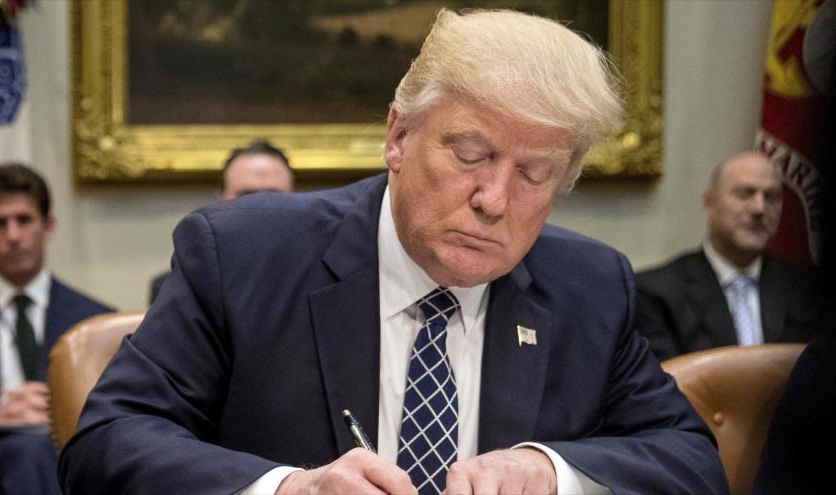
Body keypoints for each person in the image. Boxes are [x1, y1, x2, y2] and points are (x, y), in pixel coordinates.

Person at [60, 9, 727, 494]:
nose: (494, 197)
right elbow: (105, 443)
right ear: (399, 136)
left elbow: (692, 459)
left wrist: (550, 470)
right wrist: (288, 488)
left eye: (534, 174)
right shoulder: (241, 255)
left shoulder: (589, 286)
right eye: (470, 154)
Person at [0, 163, 113, 494]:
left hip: (69, 464)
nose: (13, 236)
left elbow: (116, 417)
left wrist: (56, 416)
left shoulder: (96, 323)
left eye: (24, 220)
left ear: (48, 226)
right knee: (23, 453)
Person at [635, 151, 822, 361]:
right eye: (745, 194)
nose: (759, 208)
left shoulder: (810, 289)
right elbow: (660, 384)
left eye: (771, 196)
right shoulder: (656, 293)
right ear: (709, 203)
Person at [148, 139, 293, 303]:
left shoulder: (319, 281)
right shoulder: (176, 288)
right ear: (220, 202)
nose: (259, 207)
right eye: (246, 196)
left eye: (273, 197)